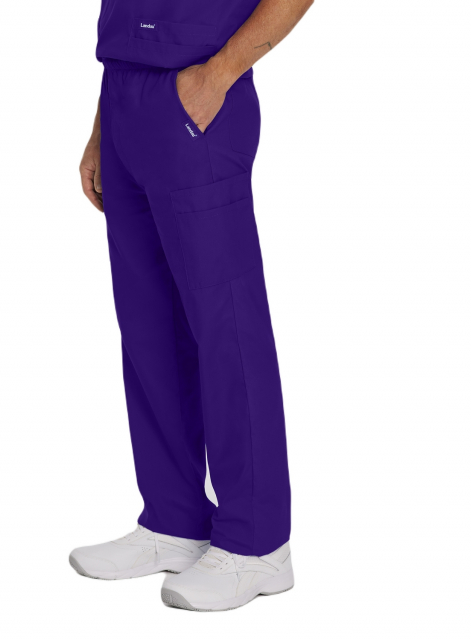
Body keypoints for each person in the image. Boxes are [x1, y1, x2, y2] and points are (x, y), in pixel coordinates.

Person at [69, 0, 314, 612]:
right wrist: (102, 126)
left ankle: (259, 545)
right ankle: (173, 520)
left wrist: (220, 74)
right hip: (124, 95)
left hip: (199, 95)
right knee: (148, 328)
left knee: (227, 327)